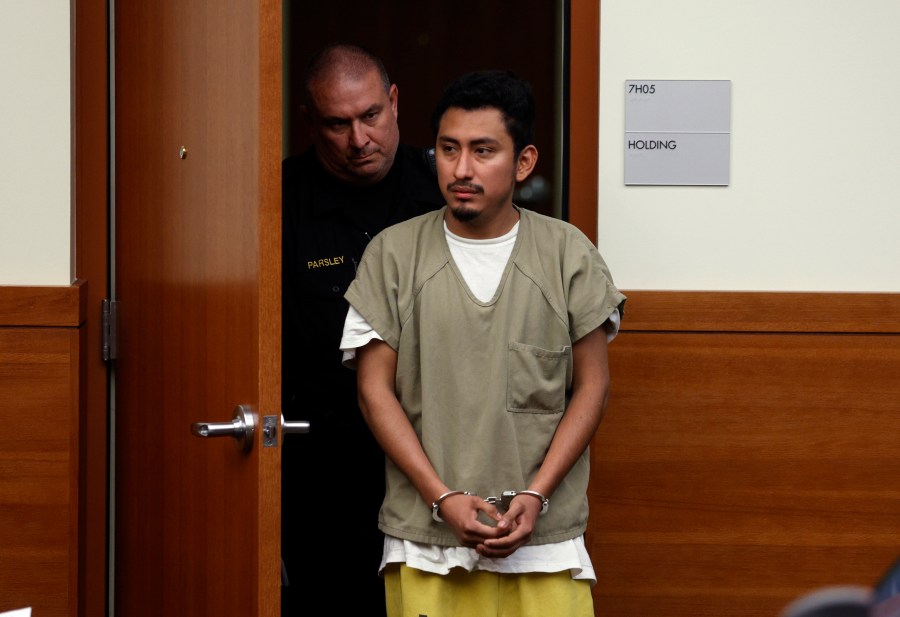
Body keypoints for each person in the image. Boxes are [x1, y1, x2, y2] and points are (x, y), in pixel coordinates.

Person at [339, 69, 627, 617]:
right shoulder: (394, 254)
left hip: (545, 545)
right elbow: (374, 392)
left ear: (523, 162)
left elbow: (593, 387)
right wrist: (441, 497)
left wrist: (536, 495)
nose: (462, 169)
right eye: (449, 150)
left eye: (483, 150)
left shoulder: (568, 253)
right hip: (426, 543)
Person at [281, 43, 444, 616]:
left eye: (370, 116)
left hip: (443, 457)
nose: (358, 140)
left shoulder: (448, 187)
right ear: (309, 123)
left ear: (395, 102)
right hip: (328, 468)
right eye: (337, 123)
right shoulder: (278, 203)